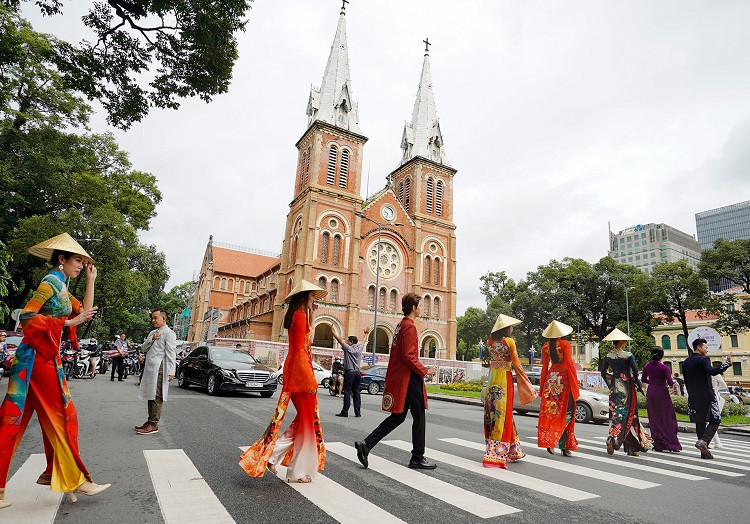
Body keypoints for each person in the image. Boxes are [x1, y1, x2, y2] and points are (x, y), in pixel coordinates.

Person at [0, 233, 110, 510]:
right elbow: (26, 316)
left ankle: (66, 480)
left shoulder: (62, 287)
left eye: (83, 262)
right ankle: (76, 479)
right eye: (77, 261)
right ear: (61, 259)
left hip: (43, 358)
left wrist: (91, 281)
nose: (81, 266)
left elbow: (85, 310)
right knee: (62, 417)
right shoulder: (50, 283)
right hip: (36, 359)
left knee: (15, 421)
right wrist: (69, 321)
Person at [240, 280, 327, 483]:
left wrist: (312, 314)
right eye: (312, 296)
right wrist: (309, 380)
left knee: (304, 420)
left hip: (299, 370)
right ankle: (295, 470)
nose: (314, 300)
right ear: (305, 297)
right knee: (306, 421)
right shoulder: (298, 316)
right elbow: (299, 350)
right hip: (300, 373)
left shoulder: (302, 315)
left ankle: (273, 456)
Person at [354, 293, 437, 470]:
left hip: (402, 378)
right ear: (413, 308)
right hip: (410, 378)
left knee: (398, 417)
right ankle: (417, 457)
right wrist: (425, 370)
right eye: (420, 306)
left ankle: (366, 444)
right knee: (419, 418)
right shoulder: (410, 327)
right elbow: (408, 356)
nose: (421, 309)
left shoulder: (400, 326)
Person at [480, 314, 536, 469]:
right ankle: (496, 455)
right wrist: (527, 385)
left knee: (493, 414)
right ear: (506, 328)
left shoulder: (489, 342)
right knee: (503, 414)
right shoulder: (509, 342)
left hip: (492, 379)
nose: (512, 329)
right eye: (511, 327)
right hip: (505, 380)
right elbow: (517, 364)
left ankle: (513, 450)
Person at [600, 328, 651, 457]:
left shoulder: (608, 356)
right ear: (622, 341)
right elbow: (635, 372)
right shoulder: (628, 355)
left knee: (617, 416)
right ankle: (615, 440)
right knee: (629, 415)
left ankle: (629, 446)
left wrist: (611, 384)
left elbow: (603, 373)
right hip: (627, 388)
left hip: (614, 389)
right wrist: (638, 386)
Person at [682, 338, 731, 459]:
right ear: (699, 347)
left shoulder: (686, 362)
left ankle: (703, 452)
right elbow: (712, 371)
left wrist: (690, 393)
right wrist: (726, 364)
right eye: (705, 347)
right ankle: (704, 441)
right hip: (707, 394)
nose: (707, 349)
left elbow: (686, 381)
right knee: (716, 420)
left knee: (700, 421)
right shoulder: (704, 359)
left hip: (693, 395)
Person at [537, 320, 579, 457]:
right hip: (564, 380)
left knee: (553, 412)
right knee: (568, 412)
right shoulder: (565, 344)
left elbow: (544, 368)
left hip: (551, 379)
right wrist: (574, 384)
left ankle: (563, 445)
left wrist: (542, 387)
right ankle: (554, 440)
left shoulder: (545, 347)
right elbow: (570, 364)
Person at [135, 309, 177, 435]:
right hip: (150, 368)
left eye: (155, 318)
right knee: (150, 395)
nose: (153, 320)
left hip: (160, 368)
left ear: (163, 318)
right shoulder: (153, 333)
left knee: (157, 396)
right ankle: (150, 421)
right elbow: (143, 348)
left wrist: (171, 371)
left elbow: (171, 353)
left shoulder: (169, 334)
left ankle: (153, 424)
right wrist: (151, 339)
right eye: (152, 318)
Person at [641, 347, 682, 452]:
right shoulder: (664, 368)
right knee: (667, 417)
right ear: (662, 355)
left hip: (651, 392)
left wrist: (652, 382)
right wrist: (674, 382)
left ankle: (658, 443)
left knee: (654, 418)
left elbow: (643, 379)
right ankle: (671, 443)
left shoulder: (647, 366)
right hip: (662, 392)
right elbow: (670, 382)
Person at [332, 325, 370, 417]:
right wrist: (366, 334)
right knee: (356, 392)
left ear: (351, 342)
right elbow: (363, 341)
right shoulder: (359, 348)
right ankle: (358, 412)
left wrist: (333, 332)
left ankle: (345, 411)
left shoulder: (348, 348)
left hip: (349, 372)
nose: (346, 342)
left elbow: (340, 341)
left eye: (348, 340)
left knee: (348, 392)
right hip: (357, 373)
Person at [710, 373, 728, 449]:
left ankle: (715, 442)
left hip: (710, 397)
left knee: (711, 421)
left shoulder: (702, 373)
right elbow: (724, 385)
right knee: (713, 420)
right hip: (714, 396)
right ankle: (716, 442)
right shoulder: (715, 374)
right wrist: (716, 389)